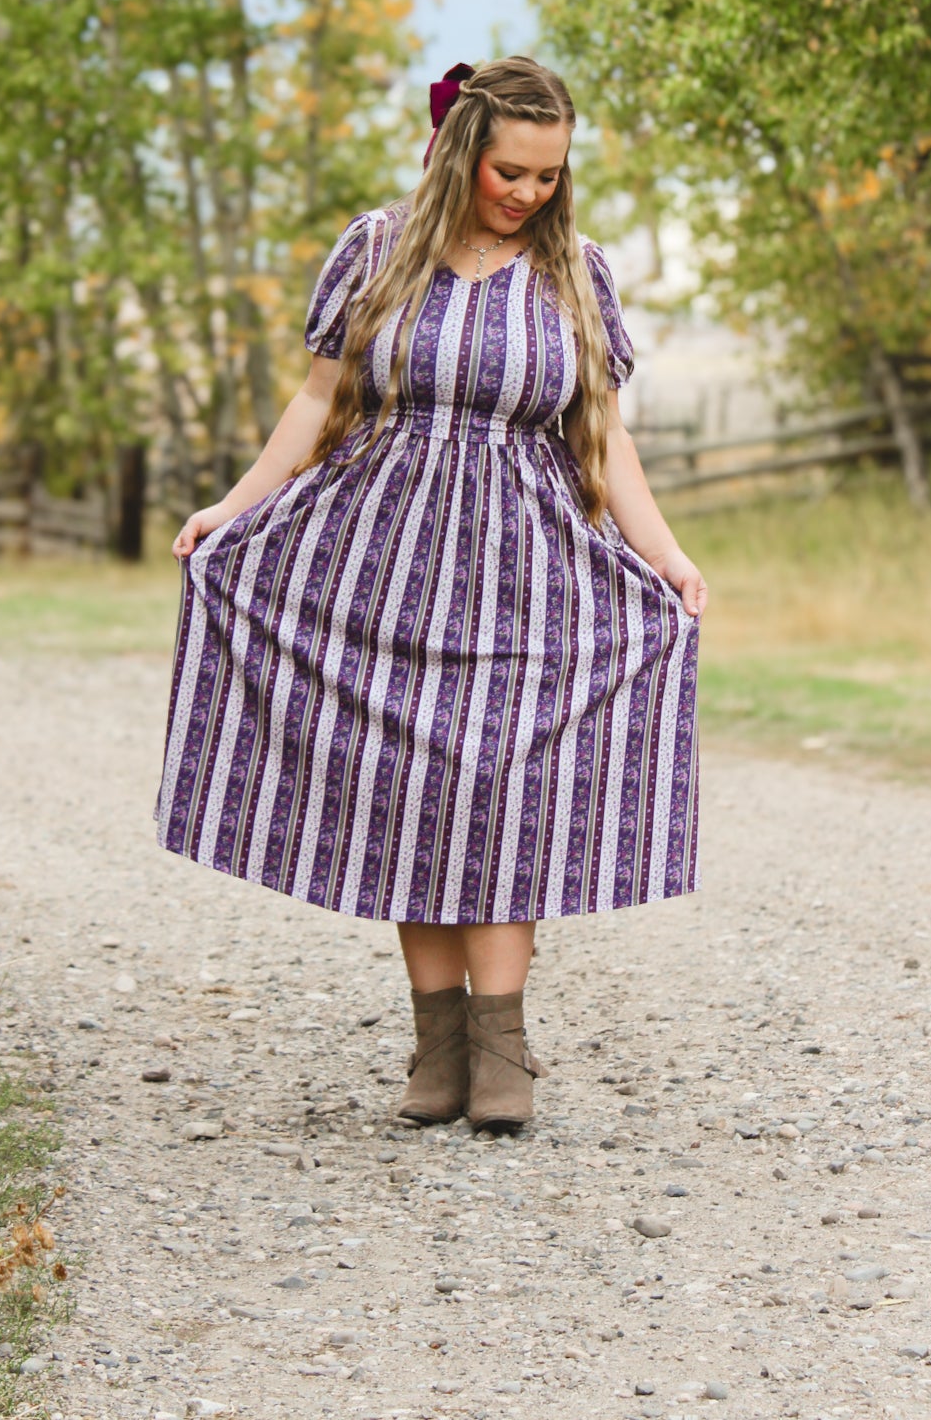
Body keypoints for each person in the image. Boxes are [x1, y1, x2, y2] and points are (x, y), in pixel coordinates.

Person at [158, 56, 704, 1134]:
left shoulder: (575, 272)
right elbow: (321, 398)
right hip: (382, 552)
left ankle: (504, 1045)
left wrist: (669, 555)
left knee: (504, 782)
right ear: (464, 150)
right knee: (407, 781)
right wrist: (233, 506)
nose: (529, 193)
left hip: (529, 563)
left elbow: (603, 435)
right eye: (512, 170)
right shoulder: (378, 247)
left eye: (549, 175)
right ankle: (437, 1044)